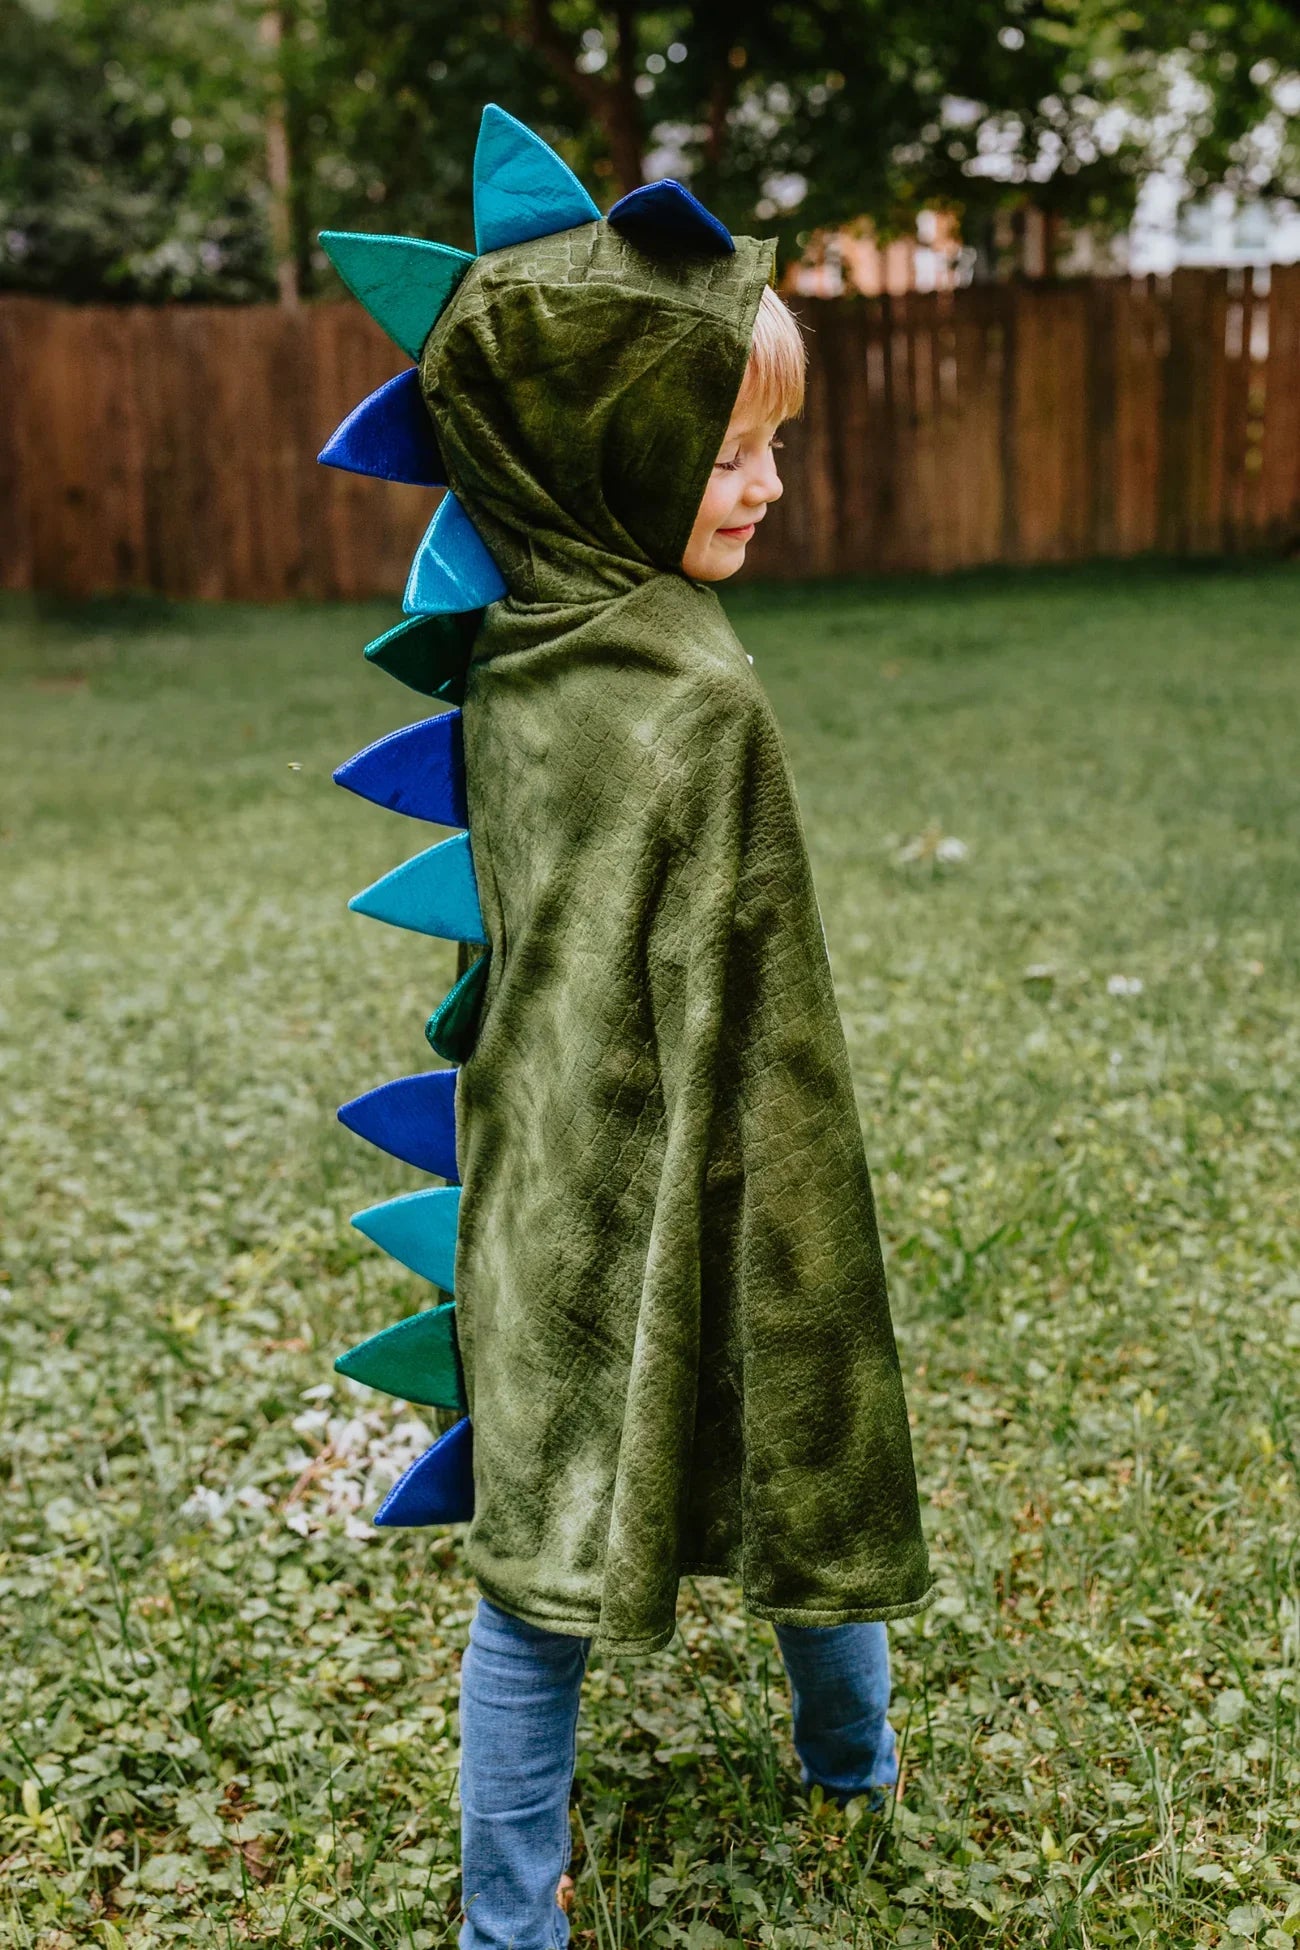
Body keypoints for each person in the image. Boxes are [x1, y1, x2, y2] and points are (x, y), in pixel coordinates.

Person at [321, 106, 933, 1950]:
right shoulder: (703, 696)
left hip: (537, 1182)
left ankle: (512, 1918)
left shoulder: (523, 650)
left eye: (772, 445)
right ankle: (853, 1760)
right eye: (725, 446)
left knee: (541, 1539)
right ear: (603, 441)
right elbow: (776, 1013)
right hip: (706, 1163)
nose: (762, 485)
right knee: (805, 1416)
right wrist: (794, 1206)